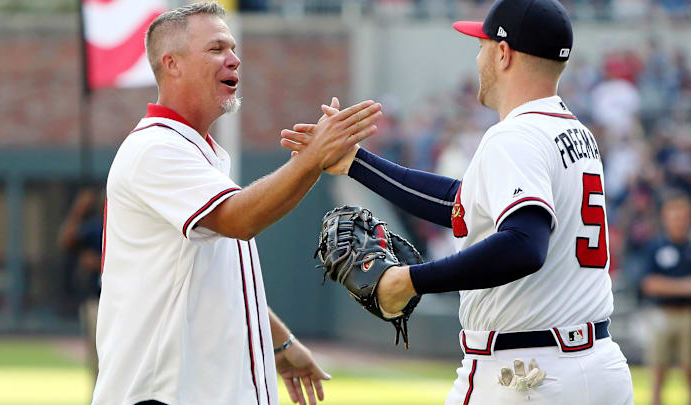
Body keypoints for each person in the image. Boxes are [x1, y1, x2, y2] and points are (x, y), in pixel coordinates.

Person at [281, 0, 634, 403]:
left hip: (526, 373)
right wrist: (357, 163)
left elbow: (524, 244)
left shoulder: (514, 136)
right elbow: (462, 205)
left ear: (503, 53)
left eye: (482, 44)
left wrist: (410, 281)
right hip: (597, 367)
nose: (478, 56)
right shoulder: (573, 133)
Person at [91, 2, 382, 405]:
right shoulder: (156, 148)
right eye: (216, 49)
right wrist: (313, 158)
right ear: (171, 64)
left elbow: (217, 281)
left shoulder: (197, 152)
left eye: (232, 48)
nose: (234, 58)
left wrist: (279, 342)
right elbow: (240, 220)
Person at [639, 191, 691, 405]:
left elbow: (657, 283)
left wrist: (666, 285)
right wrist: (683, 286)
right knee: (658, 373)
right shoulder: (656, 247)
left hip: (688, 315)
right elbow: (649, 284)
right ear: (665, 218)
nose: (678, 222)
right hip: (661, 315)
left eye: (682, 217)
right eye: (674, 216)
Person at [58, 188, 104, 384]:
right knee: (98, 359)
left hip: (128, 302)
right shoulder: (97, 226)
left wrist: (99, 261)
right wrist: (79, 209)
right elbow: (66, 240)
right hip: (97, 299)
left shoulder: (135, 226)